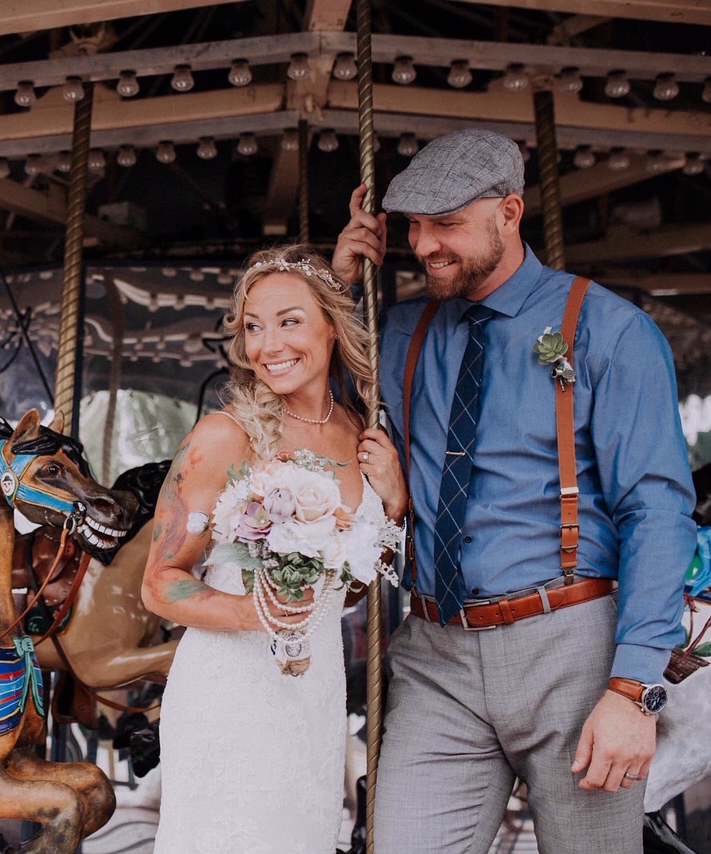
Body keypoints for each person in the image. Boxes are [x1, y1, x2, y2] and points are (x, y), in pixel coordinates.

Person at [331, 128, 695, 852]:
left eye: (448, 225)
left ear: (509, 211)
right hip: (436, 649)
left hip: (571, 644)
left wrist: (633, 690)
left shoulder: (609, 331)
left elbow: (656, 512)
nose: (426, 244)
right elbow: (301, 401)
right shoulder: (399, 331)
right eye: (413, 226)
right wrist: (338, 286)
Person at [141, 245, 407, 852]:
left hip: (314, 692)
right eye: (254, 327)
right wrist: (253, 611)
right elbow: (158, 581)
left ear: (332, 326)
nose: (268, 345)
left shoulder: (360, 429)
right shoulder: (224, 437)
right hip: (229, 690)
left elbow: (352, 585)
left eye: (289, 321)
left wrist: (393, 503)